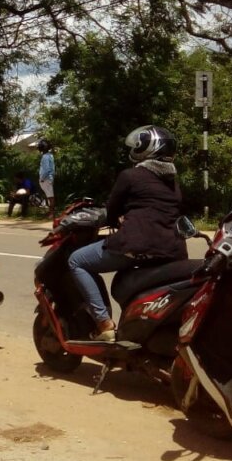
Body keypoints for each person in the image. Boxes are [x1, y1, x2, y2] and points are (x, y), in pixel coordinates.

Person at [68, 125, 188, 342]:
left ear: (147, 149)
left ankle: (104, 324)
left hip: (137, 245)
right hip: (171, 249)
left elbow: (112, 211)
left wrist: (117, 219)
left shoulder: (130, 175)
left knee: (77, 260)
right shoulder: (173, 182)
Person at [37, 139, 56, 218]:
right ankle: (50, 212)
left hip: (46, 179)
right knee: (49, 196)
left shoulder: (45, 157)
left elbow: (46, 169)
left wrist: (42, 178)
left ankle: (51, 213)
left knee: (50, 197)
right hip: (50, 178)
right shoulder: (50, 155)